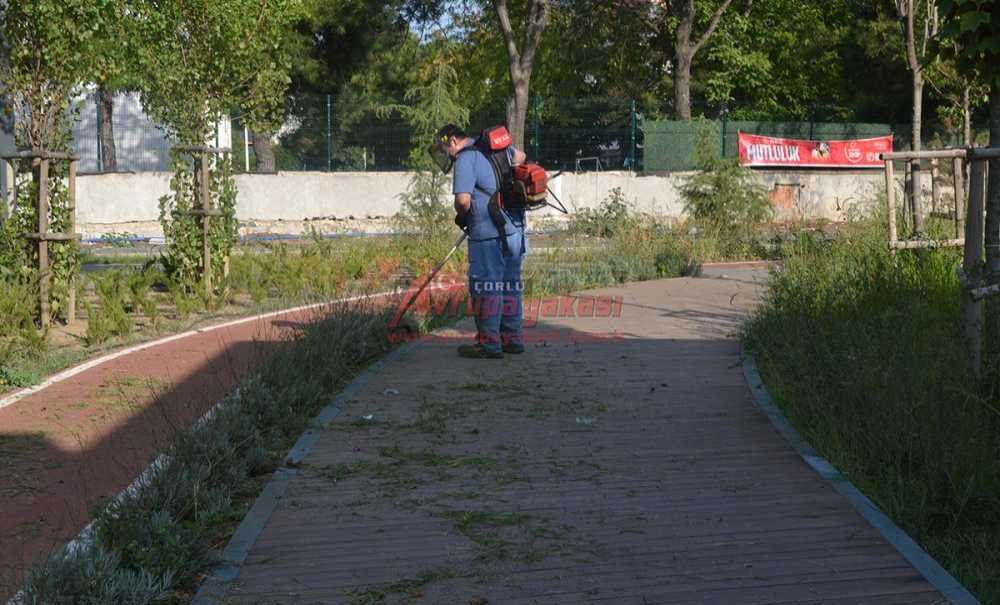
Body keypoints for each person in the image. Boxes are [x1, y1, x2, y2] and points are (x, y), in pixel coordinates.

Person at [433, 123, 528, 359]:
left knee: (486, 288)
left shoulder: (465, 159)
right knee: (510, 285)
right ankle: (512, 339)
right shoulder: (495, 147)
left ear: (452, 141)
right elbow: (521, 157)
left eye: (445, 149)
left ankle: (489, 344)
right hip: (514, 230)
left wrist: (462, 215)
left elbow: (463, 200)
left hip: (487, 234)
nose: (447, 155)